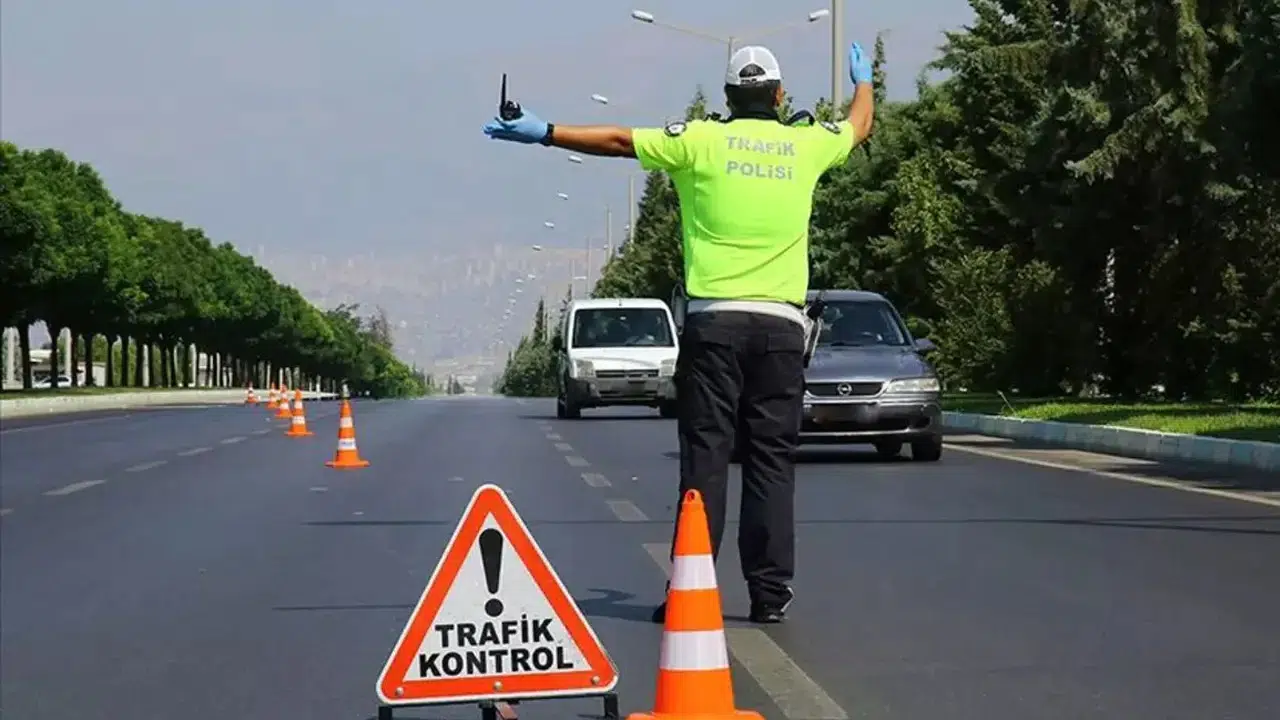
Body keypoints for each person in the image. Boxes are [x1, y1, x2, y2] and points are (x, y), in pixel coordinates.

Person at [483, 43, 875, 624]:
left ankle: (692, 586)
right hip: (781, 329)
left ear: (727, 97)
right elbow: (858, 126)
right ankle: (770, 595)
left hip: (713, 326)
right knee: (771, 462)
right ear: (779, 95)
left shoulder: (698, 140)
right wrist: (863, 83)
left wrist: (545, 132)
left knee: (706, 459)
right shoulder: (807, 144)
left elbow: (619, 141)